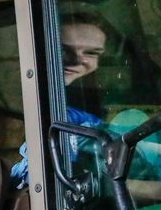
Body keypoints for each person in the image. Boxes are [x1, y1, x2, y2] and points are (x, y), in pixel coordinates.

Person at [10, 13, 106, 187]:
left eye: (91, 53)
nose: (77, 61)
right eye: (63, 50)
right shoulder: (40, 101)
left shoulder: (77, 110)